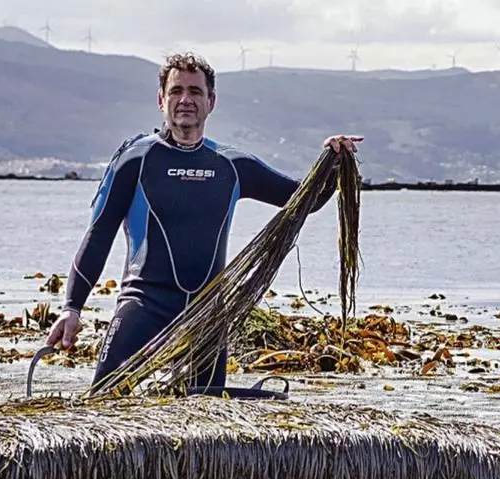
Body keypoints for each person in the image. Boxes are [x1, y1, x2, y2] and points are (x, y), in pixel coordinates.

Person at [45, 52, 362, 389]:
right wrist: (72, 308)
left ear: (211, 102)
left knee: (207, 412)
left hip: (208, 315)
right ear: (160, 100)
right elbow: (99, 235)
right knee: (105, 400)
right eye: (176, 91)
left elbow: (305, 200)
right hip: (143, 305)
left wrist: (332, 161)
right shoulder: (136, 160)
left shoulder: (231, 165)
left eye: (195, 91)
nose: (185, 99)